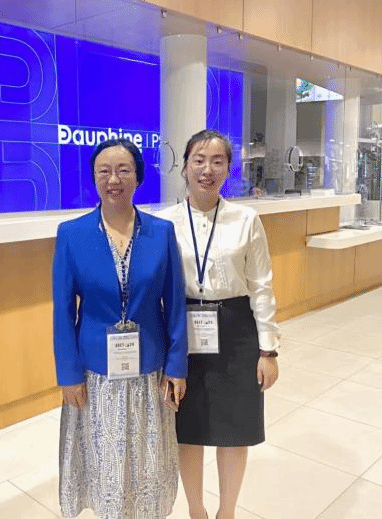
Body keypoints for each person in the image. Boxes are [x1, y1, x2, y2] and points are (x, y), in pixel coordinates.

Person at [53, 138, 188, 519]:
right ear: (94, 178)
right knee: (105, 462)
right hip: (95, 372)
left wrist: (177, 365)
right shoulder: (72, 234)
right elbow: (63, 311)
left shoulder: (161, 232)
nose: (114, 180)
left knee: (148, 460)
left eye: (123, 170)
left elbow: (174, 303)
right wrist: (68, 374)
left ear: (138, 177)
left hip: (150, 369)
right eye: (104, 171)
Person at [157, 129, 280, 519]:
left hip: (237, 330)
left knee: (234, 428)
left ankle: (227, 511)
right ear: (185, 167)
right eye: (198, 160)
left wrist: (268, 350)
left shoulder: (246, 219)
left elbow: (261, 286)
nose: (207, 169)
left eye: (217, 161)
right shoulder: (163, 223)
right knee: (187, 428)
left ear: (228, 169)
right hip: (183, 332)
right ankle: (197, 510)